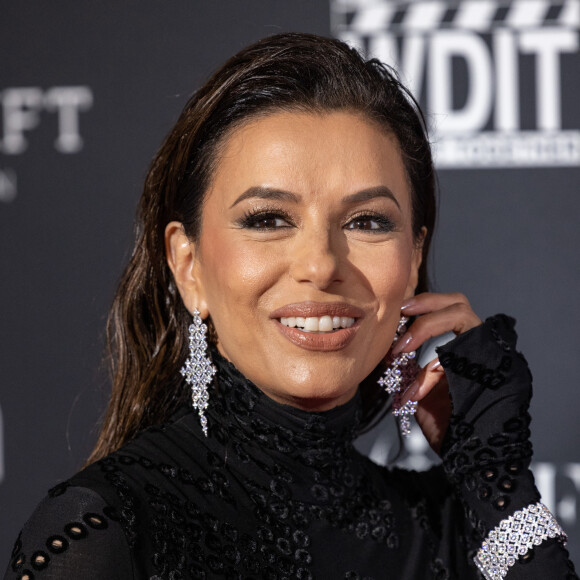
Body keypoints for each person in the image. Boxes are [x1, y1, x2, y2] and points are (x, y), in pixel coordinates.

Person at [4, 33, 577, 580]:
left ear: (414, 257)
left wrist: (495, 476)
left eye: (367, 221)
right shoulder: (109, 528)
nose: (323, 264)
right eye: (268, 219)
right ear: (189, 266)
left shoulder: (453, 528)